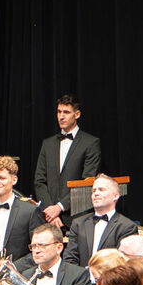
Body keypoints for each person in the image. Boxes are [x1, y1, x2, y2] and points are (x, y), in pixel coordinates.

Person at [31, 96, 101, 227]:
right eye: (59, 112)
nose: (61, 116)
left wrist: (59, 208)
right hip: (48, 218)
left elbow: (86, 183)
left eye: (66, 112)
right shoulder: (47, 144)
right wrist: (50, 210)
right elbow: (39, 181)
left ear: (77, 114)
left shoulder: (90, 143)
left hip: (77, 218)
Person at [67, 175, 137, 265]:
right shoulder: (78, 224)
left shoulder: (127, 227)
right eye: (94, 190)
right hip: (82, 278)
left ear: (115, 196)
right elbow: (70, 259)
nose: (96, 193)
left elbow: (123, 263)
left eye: (101, 190)